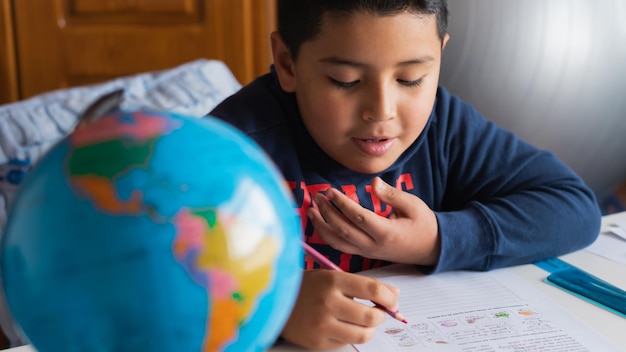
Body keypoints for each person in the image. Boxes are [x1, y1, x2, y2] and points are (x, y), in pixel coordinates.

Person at [208, 0, 601, 349]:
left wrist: (435, 240)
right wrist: (273, 309)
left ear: (440, 56)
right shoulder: (225, 149)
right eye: (346, 81)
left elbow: (573, 208)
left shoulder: (445, 127)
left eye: (410, 78)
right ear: (287, 62)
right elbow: (149, 285)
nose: (382, 111)